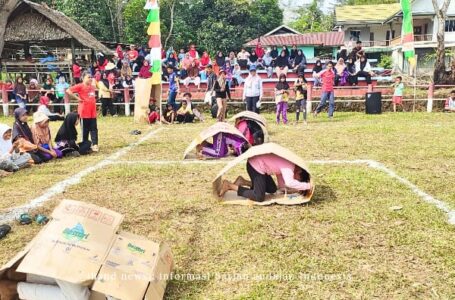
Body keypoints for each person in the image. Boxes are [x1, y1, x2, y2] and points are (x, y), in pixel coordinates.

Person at [218, 153, 312, 202]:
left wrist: (294, 190)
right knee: (259, 196)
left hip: (260, 165)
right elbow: (289, 182)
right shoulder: (289, 167)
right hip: (255, 166)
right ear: (299, 172)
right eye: (298, 180)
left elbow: (281, 185)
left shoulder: (289, 165)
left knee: (272, 189)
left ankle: (242, 181)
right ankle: (229, 185)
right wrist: (308, 186)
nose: (296, 181)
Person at [66, 72, 99, 152]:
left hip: (92, 112)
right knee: (85, 130)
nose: (90, 78)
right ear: (83, 78)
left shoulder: (92, 87)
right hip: (84, 112)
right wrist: (77, 98)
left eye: (91, 77)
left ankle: (95, 144)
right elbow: (68, 90)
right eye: (88, 77)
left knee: (94, 128)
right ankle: (85, 145)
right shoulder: (80, 86)